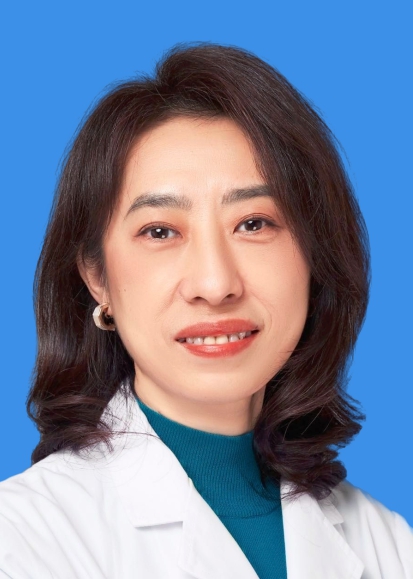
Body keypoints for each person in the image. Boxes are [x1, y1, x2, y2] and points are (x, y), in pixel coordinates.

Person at [0, 42, 411, 579]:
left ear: (316, 257)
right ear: (97, 278)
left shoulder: (387, 543)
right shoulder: (23, 537)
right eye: (160, 231)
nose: (215, 286)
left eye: (254, 224)